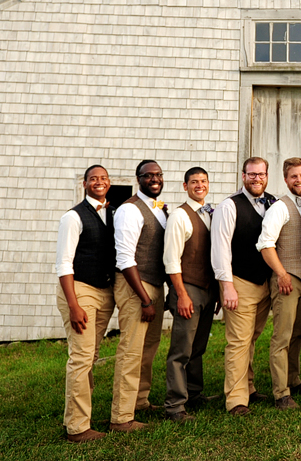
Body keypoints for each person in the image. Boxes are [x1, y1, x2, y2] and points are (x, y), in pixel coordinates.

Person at [55, 165, 116, 443]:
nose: (98, 182)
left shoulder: (113, 213)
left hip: (104, 292)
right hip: (79, 290)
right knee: (80, 357)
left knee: (89, 356)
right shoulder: (73, 216)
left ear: (109, 182)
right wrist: (73, 304)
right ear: (85, 183)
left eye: (103, 178)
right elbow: (64, 264)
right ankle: (77, 428)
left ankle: (82, 416)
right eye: (93, 179)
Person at [211, 157, 276, 416]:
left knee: (252, 338)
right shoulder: (229, 206)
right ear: (243, 176)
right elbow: (220, 248)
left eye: (261, 174)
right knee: (238, 341)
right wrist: (227, 286)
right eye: (251, 174)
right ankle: (236, 400)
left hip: (265, 283)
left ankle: (248, 387)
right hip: (239, 282)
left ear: (267, 176)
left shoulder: (273, 202)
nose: (257, 179)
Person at [110, 160, 168, 432]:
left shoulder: (159, 209)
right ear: (138, 179)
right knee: (131, 351)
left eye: (158, 175)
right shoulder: (129, 210)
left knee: (148, 347)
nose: (154, 179)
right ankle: (121, 417)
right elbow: (124, 259)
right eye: (148, 175)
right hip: (136, 287)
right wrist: (145, 299)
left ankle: (140, 401)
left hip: (154, 284)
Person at [162, 167, 218, 422]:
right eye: (194, 182)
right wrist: (181, 295)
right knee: (181, 350)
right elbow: (171, 261)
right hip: (188, 289)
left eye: (203, 181)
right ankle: (175, 406)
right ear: (185, 186)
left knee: (198, 346)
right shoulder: (179, 216)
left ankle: (194, 395)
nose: (199, 185)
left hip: (207, 290)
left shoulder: (210, 213)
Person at [256, 157, 301, 410]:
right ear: (286, 179)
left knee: (298, 334)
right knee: (282, 337)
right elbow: (265, 244)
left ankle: (293, 379)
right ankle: (281, 394)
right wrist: (281, 274)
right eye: (293, 176)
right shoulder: (280, 207)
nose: (298, 180)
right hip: (286, 282)